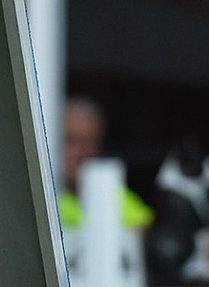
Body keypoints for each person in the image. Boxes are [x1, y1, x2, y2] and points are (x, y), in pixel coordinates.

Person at [58, 96, 154, 286]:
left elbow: (145, 234)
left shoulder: (118, 198)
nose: (81, 151)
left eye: (89, 142)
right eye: (71, 140)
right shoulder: (42, 195)